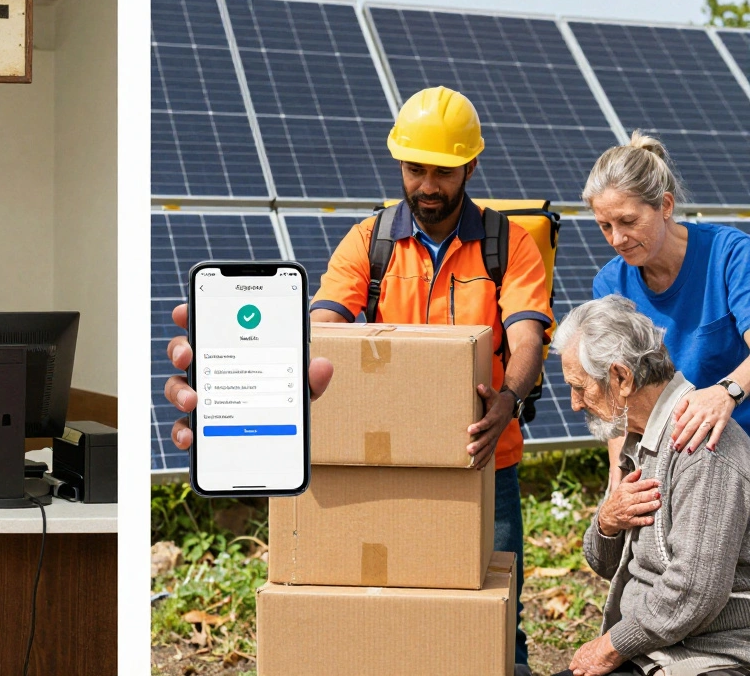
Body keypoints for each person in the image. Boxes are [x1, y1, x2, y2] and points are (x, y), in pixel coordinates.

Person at [164, 85, 552, 675]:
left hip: (485, 458)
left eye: (443, 171)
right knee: (391, 606)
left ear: (470, 165)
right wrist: (262, 361)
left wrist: (509, 397)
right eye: (415, 168)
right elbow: (322, 323)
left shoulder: (507, 245)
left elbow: (527, 335)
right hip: (381, 463)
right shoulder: (368, 243)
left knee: (495, 617)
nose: (427, 185)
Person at [548, 295, 750, 676]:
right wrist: (607, 521)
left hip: (711, 656)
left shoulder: (702, 447)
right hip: (655, 647)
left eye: (580, 387)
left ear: (621, 378)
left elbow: (695, 589)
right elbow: (607, 565)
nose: (575, 404)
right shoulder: (635, 438)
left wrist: (612, 646)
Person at [583, 132, 750, 490]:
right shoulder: (610, 284)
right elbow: (618, 394)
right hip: (671, 463)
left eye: (628, 222)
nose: (616, 239)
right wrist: (619, 473)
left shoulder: (730, 256)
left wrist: (727, 392)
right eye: (605, 226)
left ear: (666, 206)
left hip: (742, 451)